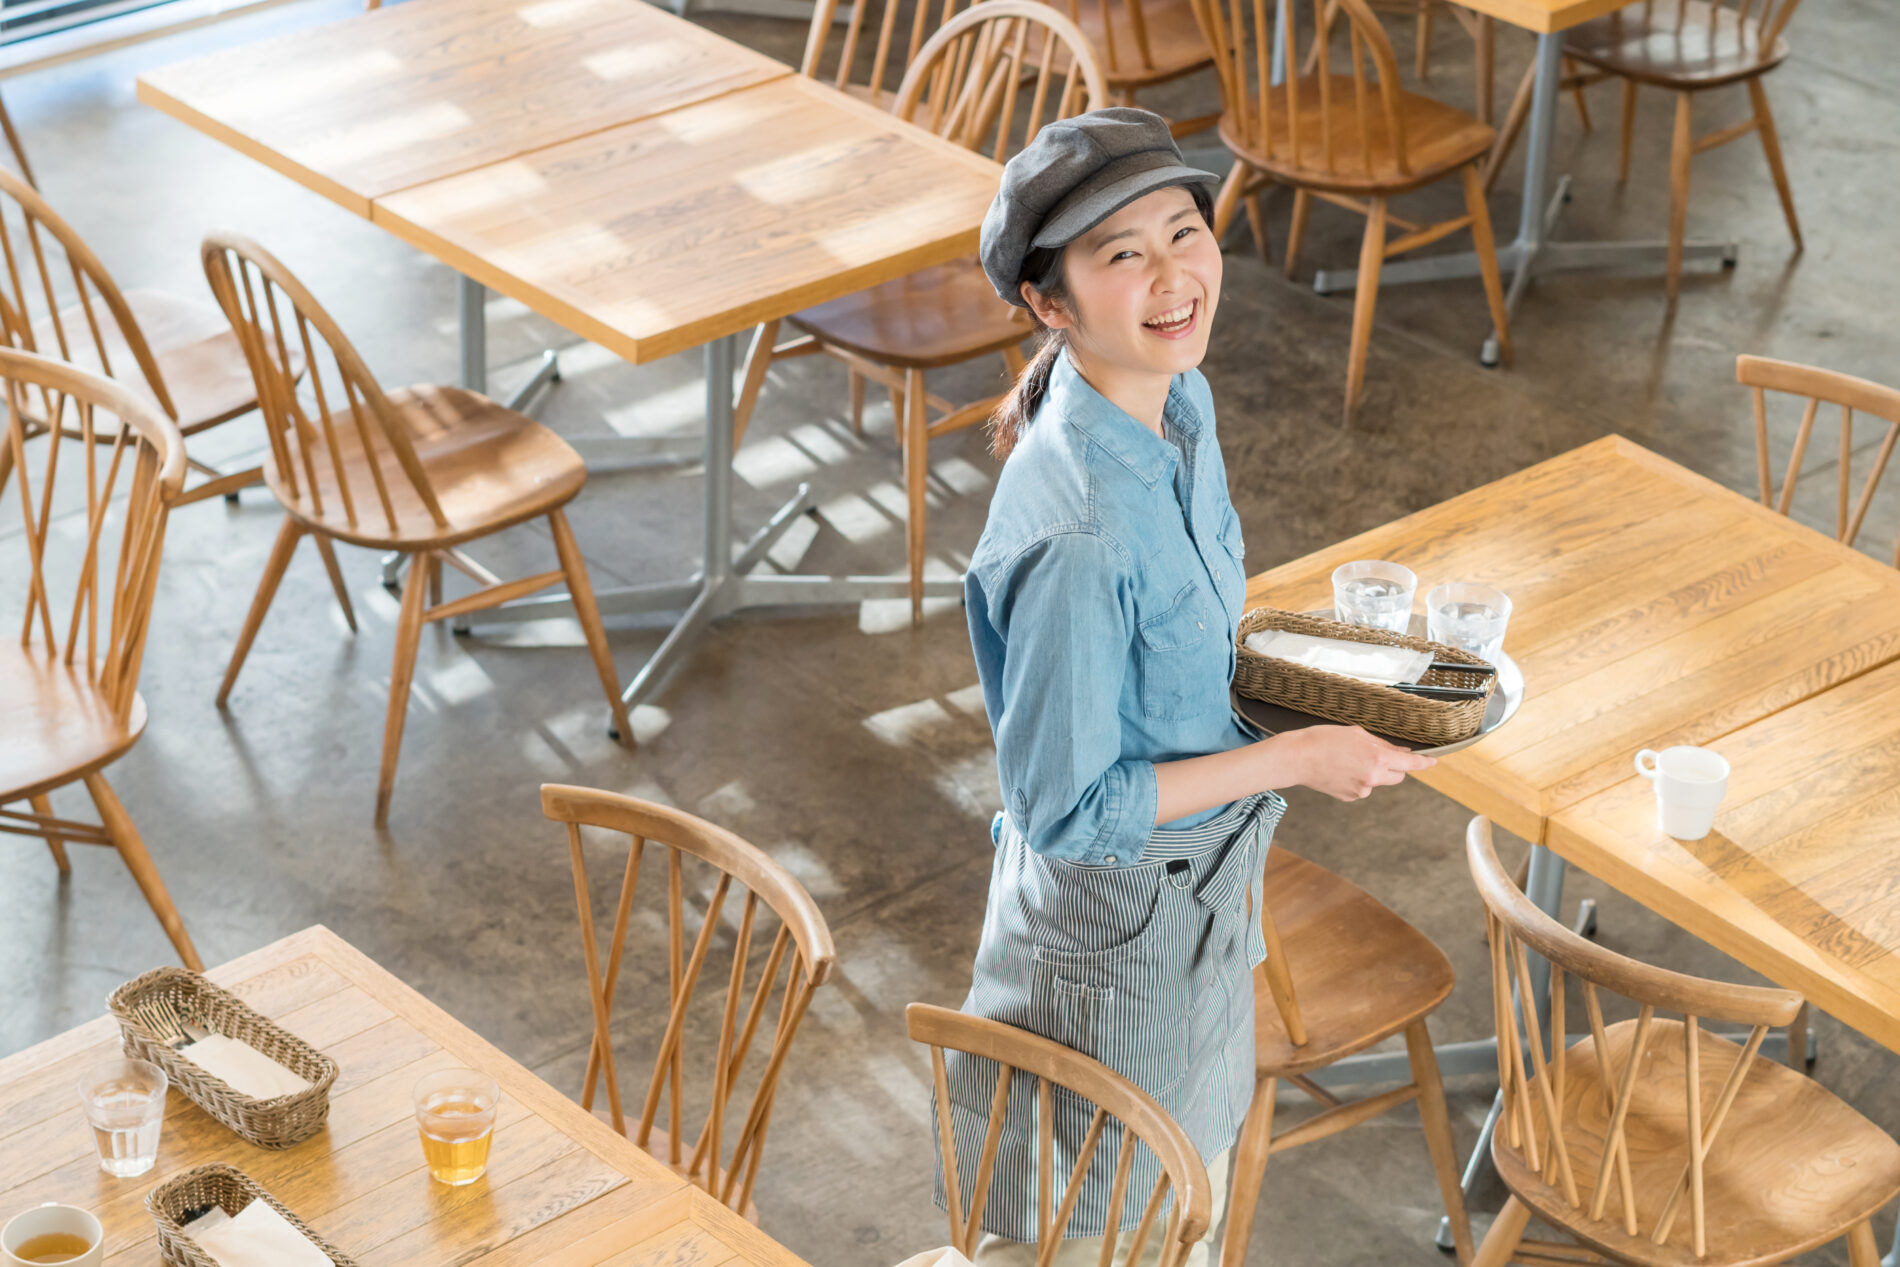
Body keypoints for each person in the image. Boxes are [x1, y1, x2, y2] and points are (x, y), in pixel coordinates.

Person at [940, 108, 1435, 1265]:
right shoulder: (1074, 530)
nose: (1174, 277)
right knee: (1123, 1231)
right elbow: (1067, 808)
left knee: (1183, 1213)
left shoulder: (1176, 404)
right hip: (1115, 933)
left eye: (1184, 232)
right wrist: (1298, 757)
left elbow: (1186, 644)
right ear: (1049, 305)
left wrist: (1311, 688)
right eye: (1123, 255)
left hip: (1204, 898)